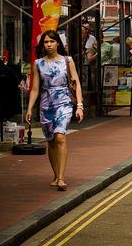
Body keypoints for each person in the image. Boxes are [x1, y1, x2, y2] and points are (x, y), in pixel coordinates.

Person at [25, 30, 84, 191]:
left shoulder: (67, 60)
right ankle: (55, 175)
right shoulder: (38, 63)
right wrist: (30, 108)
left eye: (51, 41)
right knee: (51, 141)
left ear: (58, 43)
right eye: (46, 42)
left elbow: (76, 83)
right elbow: (36, 88)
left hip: (63, 102)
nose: (49, 44)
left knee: (60, 137)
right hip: (46, 104)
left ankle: (61, 177)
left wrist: (79, 106)